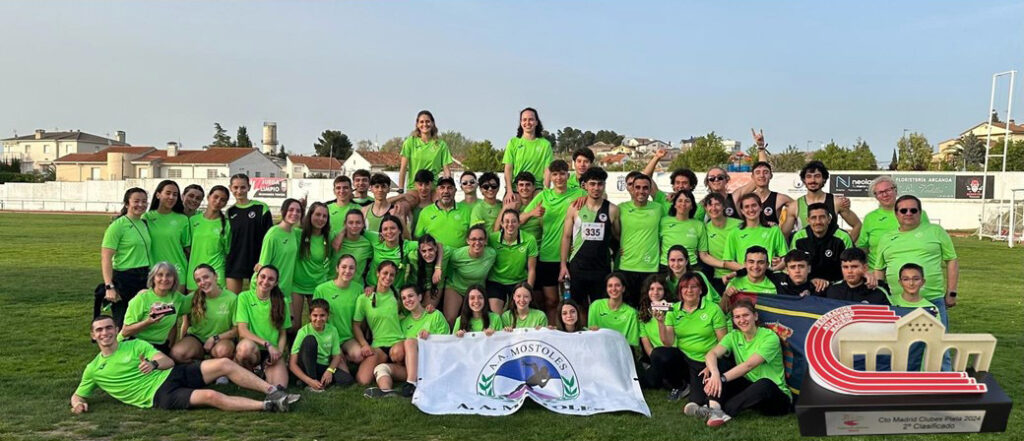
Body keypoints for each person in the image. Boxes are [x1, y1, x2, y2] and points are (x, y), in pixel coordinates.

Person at [72, 315, 298, 413]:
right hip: (159, 396)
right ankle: (268, 406)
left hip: (171, 374)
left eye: (109, 328)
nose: (105, 333)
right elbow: (78, 395)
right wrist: (78, 405)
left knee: (223, 363)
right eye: (99, 330)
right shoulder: (94, 369)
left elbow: (167, 360)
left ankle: (273, 391)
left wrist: (153, 364)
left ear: (115, 329)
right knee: (211, 396)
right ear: (93, 335)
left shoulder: (134, 344)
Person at [693, 299, 791, 427]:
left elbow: (748, 365)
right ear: (733, 320)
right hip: (751, 388)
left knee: (764, 383)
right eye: (737, 317)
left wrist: (721, 379)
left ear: (755, 316)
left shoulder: (770, 337)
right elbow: (711, 354)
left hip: (776, 397)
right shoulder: (733, 336)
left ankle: (721, 410)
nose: (742, 320)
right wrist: (715, 373)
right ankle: (714, 408)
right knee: (717, 365)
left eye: (745, 315)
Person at [875, 195, 958, 327]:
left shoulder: (936, 231)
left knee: (937, 339)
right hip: (897, 303)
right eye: (903, 210)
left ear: (920, 212)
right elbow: (879, 269)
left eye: (913, 210)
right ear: (896, 214)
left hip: (932, 300)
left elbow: (952, 260)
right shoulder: (886, 238)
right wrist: (879, 295)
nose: (908, 213)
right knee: (898, 339)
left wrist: (952, 292)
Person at [521, 160, 586, 321]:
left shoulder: (579, 193)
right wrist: (532, 213)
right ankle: (553, 331)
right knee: (551, 301)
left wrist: (586, 198)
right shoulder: (544, 196)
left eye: (562, 174)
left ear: (568, 175)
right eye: (555, 174)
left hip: (572, 256)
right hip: (548, 254)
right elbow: (519, 219)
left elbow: (600, 198)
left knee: (573, 302)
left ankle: (573, 331)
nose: (558, 178)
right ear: (550, 177)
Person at [654, 273, 728, 404]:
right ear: (680, 290)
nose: (689, 290)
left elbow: (724, 343)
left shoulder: (713, 309)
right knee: (659, 354)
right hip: (685, 358)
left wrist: (711, 365)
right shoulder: (673, 310)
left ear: (701, 290)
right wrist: (660, 322)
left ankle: (694, 385)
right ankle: (680, 385)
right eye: (685, 287)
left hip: (706, 360)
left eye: (694, 287)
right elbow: (668, 342)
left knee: (698, 401)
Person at [560, 167, 620, 309]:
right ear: (585, 185)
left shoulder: (612, 209)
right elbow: (566, 237)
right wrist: (563, 265)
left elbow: (618, 236)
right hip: (578, 266)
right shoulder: (574, 208)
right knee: (577, 307)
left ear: (604, 185)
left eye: (600, 184)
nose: (596, 188)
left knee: (599, 307)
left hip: (601, 268)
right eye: (592, 184)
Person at [100, 187, 152, 326]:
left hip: (144, 277)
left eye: (144, 201)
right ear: (127, 203)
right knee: (123, 321)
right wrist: (109, 286)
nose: (140, 204)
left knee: (141, 318)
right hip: (124, 278)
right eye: (136, 201)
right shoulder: (117, 226)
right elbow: (106, 257)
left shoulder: (143, 223)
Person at [233, 266, 291, 389]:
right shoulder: (244, 297)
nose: (265, 281)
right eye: (262, 277)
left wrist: (279, 353)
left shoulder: (282, 301)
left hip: (271, 352)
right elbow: (242, 331)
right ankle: (250, 370)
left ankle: (262, 372)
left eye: (271, 279)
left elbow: (283, 333)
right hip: (253, 349)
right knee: (244, 350)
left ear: (276, 283)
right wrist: (267, 344)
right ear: (256, 278)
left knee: (280, 387)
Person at [389, 285, 450, 398]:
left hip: (433, 362)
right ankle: (386, 391)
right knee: (381, 368)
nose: (407, 300)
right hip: (413, 366)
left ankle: (411, 383)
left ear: (420, 297)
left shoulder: (435, 315)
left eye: (411, 296)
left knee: (410, 342)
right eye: (404, 298)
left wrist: (430, 338)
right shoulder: (403, 323)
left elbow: (446, 343)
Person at [858, 176, 930, 270]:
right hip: (878, 273)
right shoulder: (870, 218)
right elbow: (863, 247)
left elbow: (927, 241)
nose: (885, 195)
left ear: (895, 190)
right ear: (876, 196)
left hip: (910, 273)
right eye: (880, 192)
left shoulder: (917, 213)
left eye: (888, 190)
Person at [352, 261, 406, 387]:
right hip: (378, 345)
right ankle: (388, 369)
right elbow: (356, 325)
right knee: (363, 379)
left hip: (398, 343)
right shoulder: (364, 298)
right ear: (377, 273)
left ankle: (390, 370)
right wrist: (364, 344)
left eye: (392, 275)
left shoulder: (398, 296)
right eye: (385, 273)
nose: (388, 277)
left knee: (397, 354)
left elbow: (413, 311)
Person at [170, 264, 238, 363]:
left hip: (221, 339)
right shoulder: (193, 297)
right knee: (177, 353)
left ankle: (219, 368)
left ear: (215, 276)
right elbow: (172, 311)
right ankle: (201, 366)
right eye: (198, 280)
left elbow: (237, 329)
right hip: (197, 339)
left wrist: (215, 338)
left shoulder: (232, 298)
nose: (202, 282)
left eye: (206, 277)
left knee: (222, 351)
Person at [735, 129, 796, 234]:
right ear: (753, 177)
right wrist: (760, 147)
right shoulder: (746, 199)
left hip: (771, 243)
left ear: (771, 175)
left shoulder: (780, 198)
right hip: (749, 241)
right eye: (758, 173)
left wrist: (785, 230)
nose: (762, 175)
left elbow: (800, 210)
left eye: (765, 172)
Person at [121, 262, 190, 355]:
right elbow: (125, 332)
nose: (164, 279)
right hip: (133, 342)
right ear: (153, 278)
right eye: (160, 275)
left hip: (159, 345)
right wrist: (148, 322)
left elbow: (195, 297)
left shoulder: (177, 298)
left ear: (174, 279)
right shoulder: (142, 298)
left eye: (169, 275)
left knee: (169, 362)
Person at [617, 173, 662, 307]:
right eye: (637, 187)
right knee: (628, 308)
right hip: (627, 266)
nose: (641, 191)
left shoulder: (659, 208)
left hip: (650, 267)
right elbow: (614, 230)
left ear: (650, 190)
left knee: (648, 308)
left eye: (645, 188)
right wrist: (619, 243)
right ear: (632, 188)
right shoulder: (621, 208)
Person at [289, 299, 353, 392]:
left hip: (323, 365)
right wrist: (309, 380)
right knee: (310, 340)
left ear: (328, 316)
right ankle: (311, 382)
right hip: (306, 366)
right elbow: (292, 364)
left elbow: (336, 356)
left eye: (322, 315)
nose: (318, 319)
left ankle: (318, 381)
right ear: (310, 316)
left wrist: (329, 370)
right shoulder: (303, 331)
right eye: (315, 315)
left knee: (347, 380)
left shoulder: (332, 330)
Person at [313, 255, 367, 366]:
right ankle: (336, 359)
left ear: (355, 270)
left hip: (348, 337)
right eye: (344, 267)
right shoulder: (321, 289)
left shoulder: (358, 289)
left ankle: (344, 358)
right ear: (337, 268)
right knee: (339, 362)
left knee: (359, 356)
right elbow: (314, 317)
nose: (347, 271)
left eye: (351, 268)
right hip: (328, 336)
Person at [225, 174, 273, 294]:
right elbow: (228, 239)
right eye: (235, 187)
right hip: (236, 260)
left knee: (258, 299)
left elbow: (270, 236)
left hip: (257, 260)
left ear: (249, 187)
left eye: (243, 187)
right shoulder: (230, 212)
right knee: (233, 299)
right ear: (230, 188)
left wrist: (264, 260)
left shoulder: (261, 208)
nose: (239, 191)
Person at [291, 202, 332, 335]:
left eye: (325, 216)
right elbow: (282, 229)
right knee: (294, 325)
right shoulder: (298, 234)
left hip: (317, 286)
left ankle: (315, 346)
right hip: (297, 285)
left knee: (317, 324)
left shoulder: (329, 236)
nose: (321, 219)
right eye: (317, 215)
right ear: (310, 215)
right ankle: (294, 347)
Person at [486, 209, 538, 314]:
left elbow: (531, 269)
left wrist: (528, 291)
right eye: (507, 221)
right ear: (502, 224)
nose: (510, 224)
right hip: (496, 281)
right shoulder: (492, 239)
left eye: (514, 221)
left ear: (519, 223)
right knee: (495, 315)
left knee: (518, 313)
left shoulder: (529, 239)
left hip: (519, 281)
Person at [256, 198, 302, 314]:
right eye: (291, 210)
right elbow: (263, 266)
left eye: (298, 211)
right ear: (283, 211)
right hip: (271, 290)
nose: (294, 213)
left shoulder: (294, 233)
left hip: (286, 290)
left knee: (291, 323)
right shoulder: (273, 234)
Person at [442, 225, 496, 324]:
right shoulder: (457, 255)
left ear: (485, 241)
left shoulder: (491, 255)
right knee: (450, 319)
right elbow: (446, 264)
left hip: (478, 291)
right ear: (468, 241)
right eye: (473, 239)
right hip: (456, 288)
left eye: (481, 239)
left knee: (482, 319)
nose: (477, 242)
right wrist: (438, 269)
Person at [795, 161, 861, 241]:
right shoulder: (794, 206)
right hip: (805, 248)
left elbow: (857, 225)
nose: (813, 180)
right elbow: (785, 234)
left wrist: (846, 245)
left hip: (831, 248)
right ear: (804, 180)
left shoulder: (837, 202)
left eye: (817, 176)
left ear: (824, 179)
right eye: (809, 176)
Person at [723, 193, 787, 273]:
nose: (751, 210)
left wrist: (772, 270)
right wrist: (749, 270)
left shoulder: (774, 230)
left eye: (754, 205)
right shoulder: (734, 233)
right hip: (744, 278)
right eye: (746, 207)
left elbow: (785, 258)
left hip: (768, 278)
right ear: (742, 211)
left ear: (761, 207)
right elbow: (728, 262)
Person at [789, 202, 854, 282]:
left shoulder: (843, 237)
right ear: (808, 220)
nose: (818, 222)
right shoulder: (799, 237)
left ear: (829, 219)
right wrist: (811, 282)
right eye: (813, 218)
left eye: (822, 217)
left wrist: (831, 284)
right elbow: (793, 265)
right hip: (807, 284)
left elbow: (851, 267)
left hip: (835, 284)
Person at [143, 180, 191, 283]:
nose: (171, 197)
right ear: (158, 195)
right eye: (168, 193)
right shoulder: (146, 217)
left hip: (178, 271)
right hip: (154, 271)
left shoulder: (182, 219)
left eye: (175, 194)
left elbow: (187, 249)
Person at [186, 185, 231, 292]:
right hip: (194, 272)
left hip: (216, 273)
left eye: (222, 200)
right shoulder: (193, 220)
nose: (218, 201)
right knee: (194, 303)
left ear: (225, 203)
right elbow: (188, 247)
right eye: (215, 197)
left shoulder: (227, 225)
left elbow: (227, 251)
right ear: (208, 197)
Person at [729, 250, 829, 297]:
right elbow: (756, 269)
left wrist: (823, 282)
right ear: (787, 270)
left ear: (809, 269)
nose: (797, 270)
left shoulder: (818, 287)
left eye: (801, 266)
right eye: (792, 267)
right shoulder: (778, 278)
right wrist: (735, 274)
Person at [503, 107, 553, 198]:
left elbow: (547, 171)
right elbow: (508, 169)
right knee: (510, 205)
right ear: (521, 122)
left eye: (531, 119)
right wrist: (509, 191)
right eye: (524, 120)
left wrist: (546, 191)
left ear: (536, 122)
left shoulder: (545, 145)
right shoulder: (513, 142)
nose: (527, 122)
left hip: (537, 188)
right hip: (517, 187)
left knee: (539, 205)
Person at [398, 110, 452, 190]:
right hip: (414, 188)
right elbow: (403, 168)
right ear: (417, 124)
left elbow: (446, 170)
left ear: (432, 123)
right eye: (421, 122)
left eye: (427, 121)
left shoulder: (441, 145)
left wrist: (448, 187)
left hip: (433, 189)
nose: (425, 124)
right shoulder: (410, 142)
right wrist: (400, 189)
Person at [660, 190, 711, 273]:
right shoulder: (663, 222)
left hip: (691, 267)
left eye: (687, 201)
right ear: (674, 205)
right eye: (680, 201)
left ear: (692, 206)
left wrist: (724, 264)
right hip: (666, 267)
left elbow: (703, 254)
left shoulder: (699, 225)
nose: (683, 204)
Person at [415, 177, 472, 250]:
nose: (446, 191)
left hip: (460, 255)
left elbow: (474, 236)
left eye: (450, 188)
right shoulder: (425, 212)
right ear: (437, 191)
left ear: (455, 190)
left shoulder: (467, 210)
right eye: (442, 188)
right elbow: (418, 238)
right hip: (435, 255)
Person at [702, 193, 743, 294]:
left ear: (724, 206)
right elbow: (704, 255)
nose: (714, 208)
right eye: (710, 205)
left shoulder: (739, 224)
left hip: (742, 274)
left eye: (717, 204)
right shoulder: (704, 229)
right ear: (706, 208)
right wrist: (725, 264)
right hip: (720, 277)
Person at [587, 273, 640, 347]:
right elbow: (590, 334)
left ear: (623, 288)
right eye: (610, 286)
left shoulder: (631, 313)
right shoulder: (596, 306)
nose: (614, 289)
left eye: (617, 285)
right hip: (599, 347)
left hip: (621, 350)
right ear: (606, 289)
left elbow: (632, 343)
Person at [365, 214, 417, 289]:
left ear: (400, 230)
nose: (389, 232)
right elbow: (356, 230)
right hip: (371, 288)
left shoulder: (406, 246)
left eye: (392, 228)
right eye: (385, 229)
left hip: (395, 291)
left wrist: (435, 268)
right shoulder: (376, 239)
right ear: (381, 233)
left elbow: (429, 244)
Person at [824, 248, 890, 305]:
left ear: (865, 268)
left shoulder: (878, 292)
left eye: (854, 267)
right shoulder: (833, 290)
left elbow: (891, 313)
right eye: (845, 267)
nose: (849, 271)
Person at [330, 209, 373, 281]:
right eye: (350, 222)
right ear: (345, 224)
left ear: (363, 224)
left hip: (355, 285)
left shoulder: (367, 245)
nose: (354, 225)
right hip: (332, 284)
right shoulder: (335, 238)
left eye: (358, 222)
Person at [406, 234, 448, 309]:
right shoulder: (412, 256)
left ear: (436, 248)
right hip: (416, 284)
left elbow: (440, 244)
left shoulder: (446, 253)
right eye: (424, 251)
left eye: (430, 249)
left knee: (426, 310)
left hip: (434, 286)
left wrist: (438, 267)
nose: (427, 254)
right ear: (419, 250)